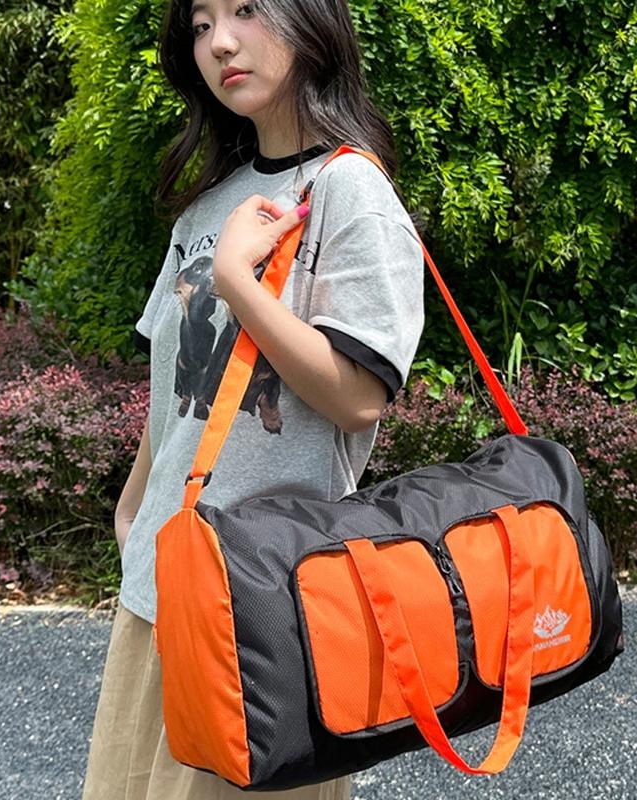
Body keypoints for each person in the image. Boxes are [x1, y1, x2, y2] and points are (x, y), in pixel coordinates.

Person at [81, 0, 425, 797]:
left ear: (309, 20)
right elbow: (177, 391)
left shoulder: (349, 187)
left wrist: (239, 281)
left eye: (245, 10)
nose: (220, 42)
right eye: (201, 24)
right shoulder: (209, 205)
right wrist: (133, 515)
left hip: (267, 607)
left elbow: (359, 397)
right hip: (162, 586)